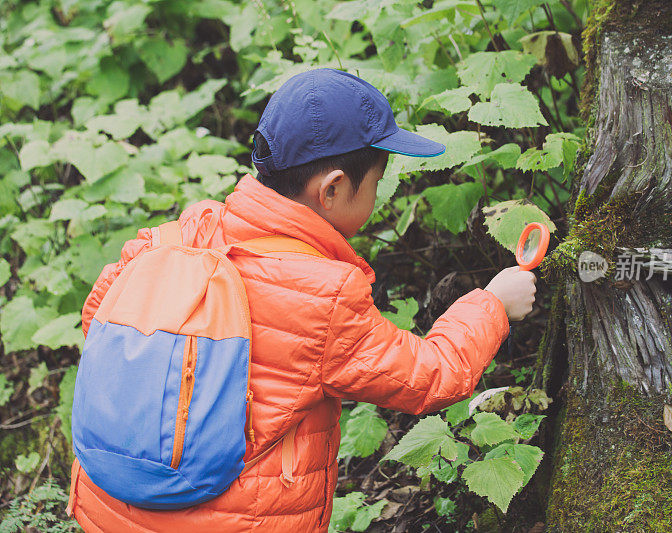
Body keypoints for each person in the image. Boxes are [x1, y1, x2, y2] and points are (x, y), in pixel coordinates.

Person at [69, 68, 537, 532]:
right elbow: (433, 376)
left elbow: (97, 319)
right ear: (332, 189)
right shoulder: (324, 296)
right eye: (375, 183)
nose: (376, 196)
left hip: (108, 510)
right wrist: (494, 303)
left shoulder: (174, 237)